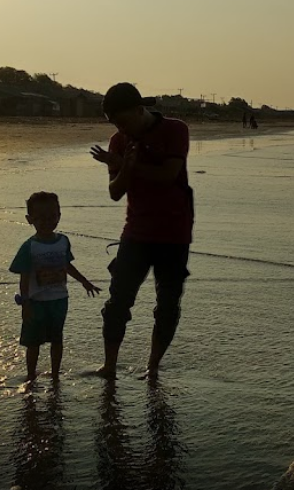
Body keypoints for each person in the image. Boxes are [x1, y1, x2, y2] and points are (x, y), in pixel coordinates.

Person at [90, 83, 194, 381]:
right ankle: (109, 366)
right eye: (114, 124)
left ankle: (152, 367)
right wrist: (121, 167)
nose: (121, 129)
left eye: (123, 122)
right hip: (136, 231)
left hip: (175, 231)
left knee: (167, 304)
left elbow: (167, 175)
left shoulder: (175, 130)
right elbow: (114, 192)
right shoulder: (118, 141)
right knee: (117, 301)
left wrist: (125, 165)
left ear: (139, 111)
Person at [9, 191, 101, 382]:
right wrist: (25, 302)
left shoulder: (63, 241)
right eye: (40, 218)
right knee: (33, 342)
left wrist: (84, 281)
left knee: (57, 338)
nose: (47, 222)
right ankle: (31, 375)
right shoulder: (29, 247)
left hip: (59, 299)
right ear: (30, 219)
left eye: (52, 217)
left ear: (59, 216)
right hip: (36, 301)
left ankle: (55, 374)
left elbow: (66, 265)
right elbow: (24, 276)